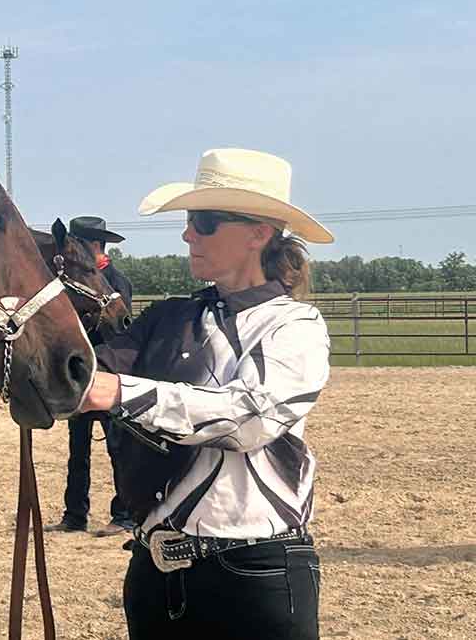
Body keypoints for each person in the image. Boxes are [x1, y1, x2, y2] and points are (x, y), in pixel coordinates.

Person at [79, 149, 334, 639]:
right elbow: (80, 376)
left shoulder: (295, 325)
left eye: (205, 222)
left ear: (258, 233)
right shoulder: (168, 318)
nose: (188, 233)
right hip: (155, 577)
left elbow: (251, 419)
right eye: (191, 221)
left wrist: (123, 393)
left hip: (257, 575)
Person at [47, 216, 136, 537]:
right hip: (82, 375)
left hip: (111, 374)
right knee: (77, 450)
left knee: (118, 449)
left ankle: (124, 515)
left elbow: (121, 333)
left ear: (94, 246)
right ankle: (75, 515)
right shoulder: (72, 280)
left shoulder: (115, 281)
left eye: (79, 245)